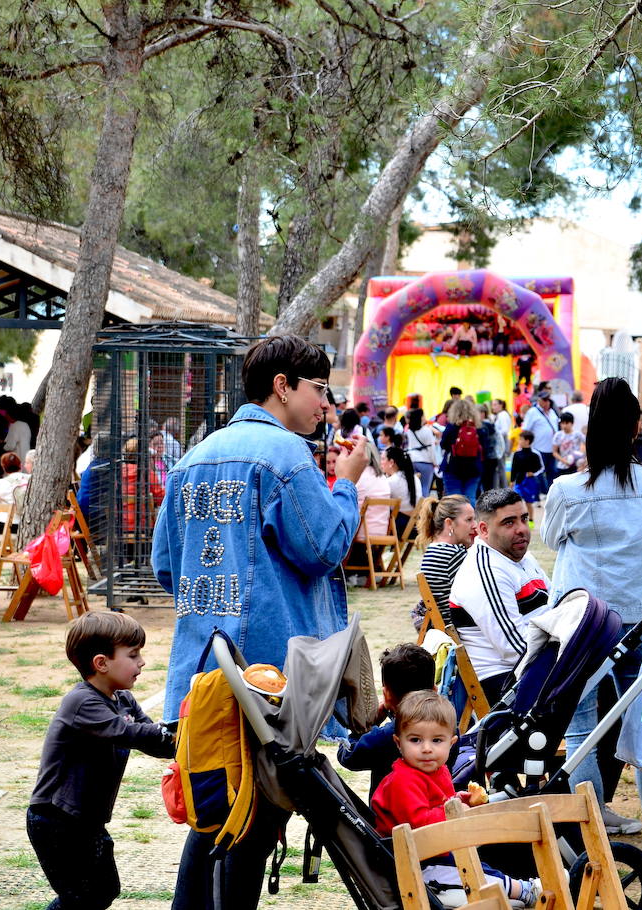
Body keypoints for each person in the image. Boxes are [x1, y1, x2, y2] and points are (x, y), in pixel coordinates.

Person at [155, 334, 367, 910]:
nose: (325, 404)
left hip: (204, 666)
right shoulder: (288, 456)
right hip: (268, 678)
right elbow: (324, 546)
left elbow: (166, 564)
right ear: (283, 386)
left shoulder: (194, 457)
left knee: (217, 808)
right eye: (319, 389)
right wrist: (348, 483)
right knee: (254, 814)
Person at [542, 377, 642, 872]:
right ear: (636, 426)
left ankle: (592, 842)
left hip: (584, 624)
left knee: (581, 731)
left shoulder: (567, 490)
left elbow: (552, 539)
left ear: (589, 428)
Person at [27, 612, 174, 910]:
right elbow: (131, 733)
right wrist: (178, 731)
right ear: (101, 663)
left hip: (86, 820)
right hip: (56, 819)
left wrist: (187, 741)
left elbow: (154, 742)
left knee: (103, 890)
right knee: (82, 897)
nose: (142, 662)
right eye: (133, 655)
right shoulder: (82, 702)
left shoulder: (123, 700)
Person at [370, 691, 539, 906]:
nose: (427, 748)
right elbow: (420, 823)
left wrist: (460, 800)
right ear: (398, 743)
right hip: (415, 864)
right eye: (415, 740)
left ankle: (520, 889)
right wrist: (454, 813)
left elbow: (439, 803)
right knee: (470, 873)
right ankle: (525, 891)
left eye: (437, 740)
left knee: (479, 867)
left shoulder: (438, 771)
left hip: (438, 851)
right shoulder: (402, 781)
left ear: (451, 743)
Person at [446, 488, 550, 704]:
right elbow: (516, 649)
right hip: (506, 682)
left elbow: (555, 606)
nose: (522, 529)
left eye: (524, 519)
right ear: (484, 530)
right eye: (509, 523)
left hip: (535, 667)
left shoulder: (522, 557)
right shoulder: (485, 571)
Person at [339, 643, 441, 796]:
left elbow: (348, 755)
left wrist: (367, 725)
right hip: (435, 808)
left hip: (391, 811)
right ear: (434, 690)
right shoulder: (448, 728)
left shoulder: (386, 736)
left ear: (386, 694)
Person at [410, 494, 476, 632]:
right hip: (462, 631)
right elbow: (479, 596)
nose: (474, 525)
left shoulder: (433, 551)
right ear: (449, 523)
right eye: (469, 520)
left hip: (447, 628)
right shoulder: (453, 555)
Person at [440, 398, 484, 502]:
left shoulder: (451, 427)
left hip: (453, 467)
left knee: (455, 500)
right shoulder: (478, 428)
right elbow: (484, 447)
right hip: (473, 468)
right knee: (470, 498)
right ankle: (471, 513)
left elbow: (443, 444)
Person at [521, 393, 559, 489]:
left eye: (548, 399)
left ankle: (550, 492)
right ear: (539, 401)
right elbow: (525, 430)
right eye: (544, 400)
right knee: (539, 474)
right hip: (538, 449)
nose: (547, 402)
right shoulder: (532, 412)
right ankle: (541, 493)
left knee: (552, 473)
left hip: (552, 449)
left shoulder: (552, 412)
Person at [381, 444, 418, 538]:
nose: (381, 463)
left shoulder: (391, 481)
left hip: (398, 527)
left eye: (383, 459)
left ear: (391, 462)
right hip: (415, 527)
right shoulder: (414, 478)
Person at [404, 407, 441, 500]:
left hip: (412, 460)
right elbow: (431, 448)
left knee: (414, 487)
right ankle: (424, 507)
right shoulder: (426, 430)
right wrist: (435, 462)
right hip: (425, 461)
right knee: (425, 487)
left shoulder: (409, 431)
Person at [509, 430, 544, 523]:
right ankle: (519, 521)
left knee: (528, 503)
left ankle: (531, 520)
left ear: (527, 441)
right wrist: (512, 481)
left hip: (530, 482)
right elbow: (514, 468)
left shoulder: (535, 454)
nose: (519, 441)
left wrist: (533, 473)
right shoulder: (517, 454)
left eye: (521, 439)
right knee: (516, 501)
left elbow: (541, 467)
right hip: (519, 481)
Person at [476, 402, 501, 493]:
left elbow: (493, 442)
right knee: (485, 485)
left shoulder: (486, 425)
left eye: (483, 412)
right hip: (486, 458)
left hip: (488, 458)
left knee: (487, 484)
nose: (482, 414)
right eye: (480, 412)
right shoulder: (484, 425)